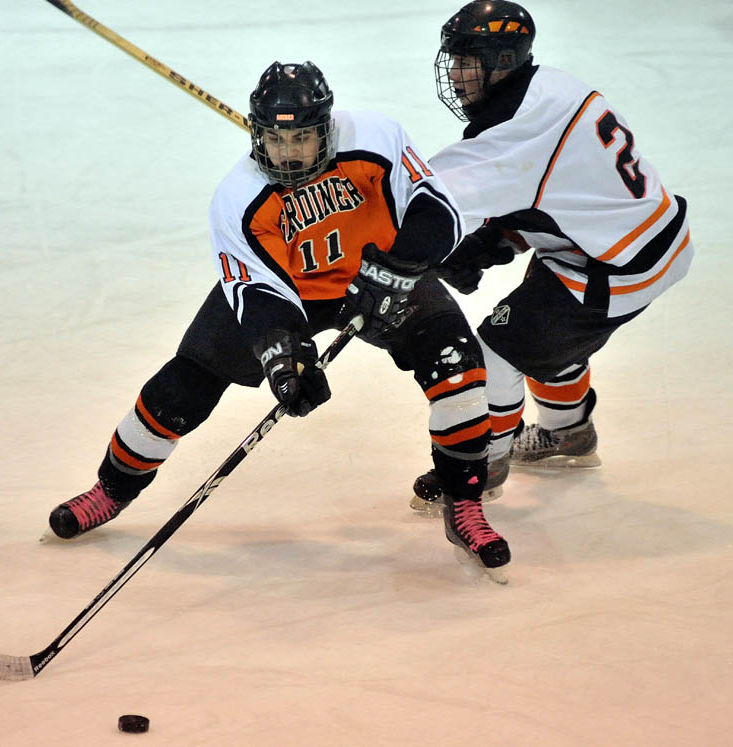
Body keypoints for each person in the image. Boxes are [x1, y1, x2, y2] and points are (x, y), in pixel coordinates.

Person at [47, 60, 511, 573]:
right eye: (276, 141)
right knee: (184, 384)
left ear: (326, 132)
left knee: (460, 368)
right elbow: (258, 294)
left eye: (302, 141)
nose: (287, 154)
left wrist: (400, 267)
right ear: (258, 135)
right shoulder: (237, 198)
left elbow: (435, 207)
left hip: (381, 273)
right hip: (291, 290)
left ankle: (464, 502)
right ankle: (111, 490)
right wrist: (282, 358)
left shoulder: (375, 139)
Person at [411, 0, 694, 511]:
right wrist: (496, 239)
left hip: (614, 268)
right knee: (544, 339)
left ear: (501, 62)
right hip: (629, 239)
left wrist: (447, 244)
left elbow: (423, 205)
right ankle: (569, 434)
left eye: (465, 61)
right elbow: (560, 189)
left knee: (495, 351)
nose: (454, 74)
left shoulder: (511, 132)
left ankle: (483, 467)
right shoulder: (552, 86)